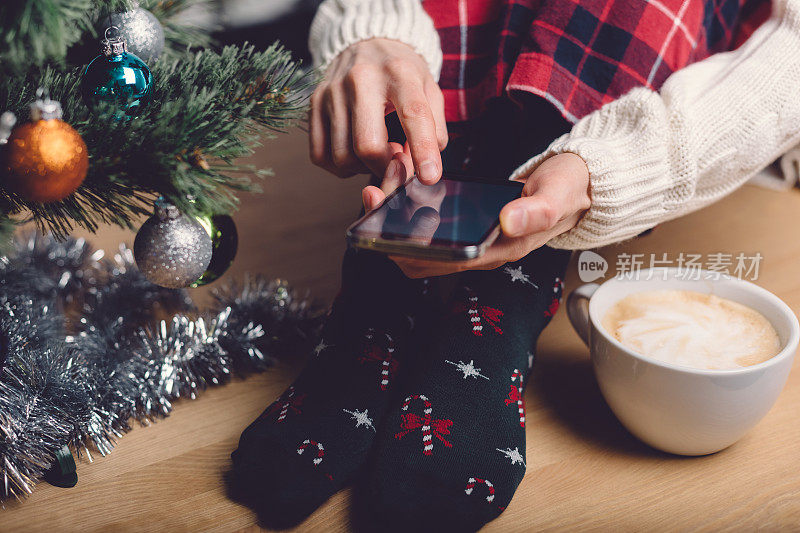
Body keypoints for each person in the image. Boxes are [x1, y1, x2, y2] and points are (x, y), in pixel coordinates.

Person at [230, 0, 800, 529]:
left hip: (660, 90)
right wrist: (374, 33)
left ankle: (495, 307)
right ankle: (380, 307)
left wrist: (609, 167)